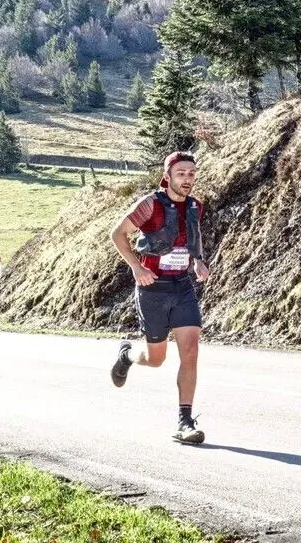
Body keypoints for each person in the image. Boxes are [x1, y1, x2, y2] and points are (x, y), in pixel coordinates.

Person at [109, 151, 211, 444]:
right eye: (181, 173)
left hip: (182, 287)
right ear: (167, 176)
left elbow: (193, 239)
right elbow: (117, 234)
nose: (187, 179)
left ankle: (185, 421)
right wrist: (137, 266)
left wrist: (198, 261)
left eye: (191, 173)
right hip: (153, 289)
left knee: (190, 351)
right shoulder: (150, 204)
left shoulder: (195, 206)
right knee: (156, 359)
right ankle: (127, 356)